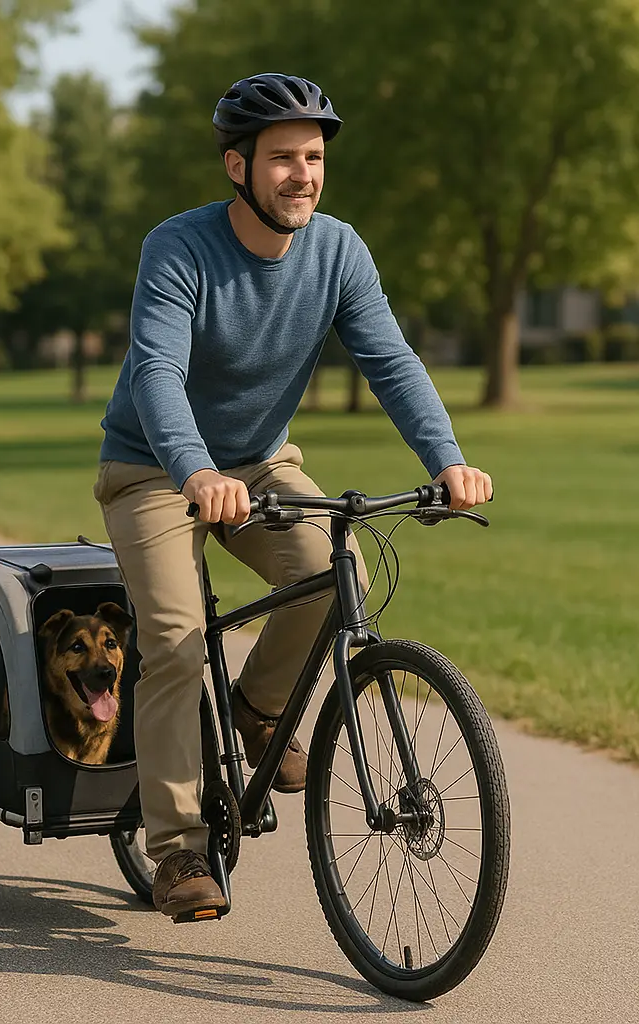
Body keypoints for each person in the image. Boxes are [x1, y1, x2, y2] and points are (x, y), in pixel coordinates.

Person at [93, 73, 492, 919]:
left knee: (325, 566)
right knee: (172, 636)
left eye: (313, 157)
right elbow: (158, 372)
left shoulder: (339, 250)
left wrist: (448, 458)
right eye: (282, 159)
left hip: (262, 461)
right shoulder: (179, 246)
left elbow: (391, 360)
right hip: (154, 467)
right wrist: (197, 472)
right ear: (238, 167)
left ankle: (256, 710)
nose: (302, 174)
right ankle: (176, 851)